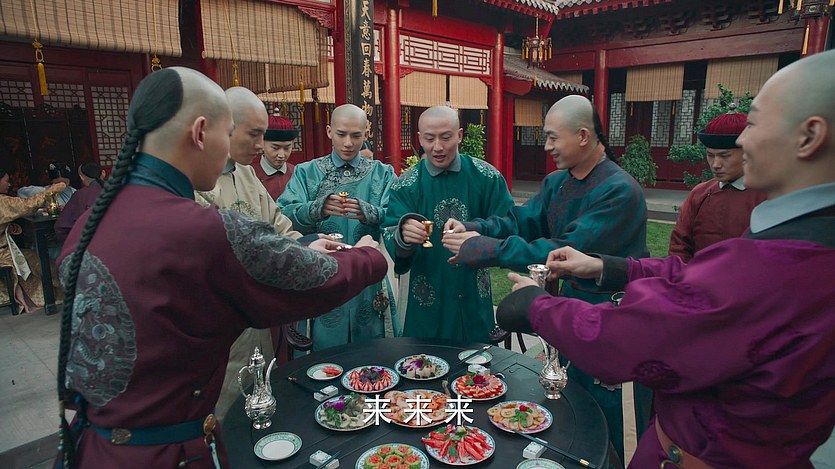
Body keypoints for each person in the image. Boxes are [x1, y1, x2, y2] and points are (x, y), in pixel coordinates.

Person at [496, 49, 835, 468]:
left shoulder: (780, 265)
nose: (743, 140)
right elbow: (689, 272)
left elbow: (627, 339)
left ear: (809, 136)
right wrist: (609, 267)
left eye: (754, 123)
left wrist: (537, 306)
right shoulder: (802, 237)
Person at [55, 67, 388, 469]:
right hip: (163, 453)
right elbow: (309, 280)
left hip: (90, 446)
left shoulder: (89, 222)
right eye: (230, 132)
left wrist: (304, 242)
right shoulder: (200, 229)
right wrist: (368, 256)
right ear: (200, 132)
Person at [443, 95, 651, 463]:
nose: (547, 146)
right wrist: (475, 228)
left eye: (553, 137)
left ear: (583, 136)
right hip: (568, 309)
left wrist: (485, 249)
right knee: (566, 405)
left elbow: (562, 251)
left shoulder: (619, 192)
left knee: (604, 418)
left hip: (609, 318)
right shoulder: (558, 182)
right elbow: (522, 221)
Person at [194, 87, 310, 421]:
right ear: (225, 126)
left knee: (261, 390)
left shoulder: (244, 172)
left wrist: (307, 250)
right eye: (255, 134)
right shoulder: (197, 179)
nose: (261, 146)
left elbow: (277, 224)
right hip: (221, 318)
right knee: (224, 406)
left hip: (256, 315)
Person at [382, 106, 514, 343]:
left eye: (445, 137)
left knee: (477, 362)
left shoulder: (487, 176)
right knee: (424, 361)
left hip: (474, 292)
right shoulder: (407, 184)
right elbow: (390, 228)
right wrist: (403, 233)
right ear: (419, 138)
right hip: (427, 296)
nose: (438, 147)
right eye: (429, 139)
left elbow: (509, 222)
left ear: (460, 135)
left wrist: (476, 230)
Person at [279, 104, 399, 350]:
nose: (348, 143)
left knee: (371, 353)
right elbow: (283, 216)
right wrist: (317, 208)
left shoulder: (382, 174)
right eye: (341, 134)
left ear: (366, 134)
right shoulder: (306, 173)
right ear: (329, 132)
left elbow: (398, 218)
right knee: (323, 354)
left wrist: (371, 212)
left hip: (368, 277)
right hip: (321, 274)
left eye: (356, 135)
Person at [668, 108, 766, 262]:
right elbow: (679, 246)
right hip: (697, 275)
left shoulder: (766, 196)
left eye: (724, 156)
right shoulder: (700, 193)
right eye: (710, 155)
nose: (715, 165)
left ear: (747, 153)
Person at [0, 169, 65, 314]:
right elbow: (28, 205)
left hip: (4, 248)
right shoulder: (2, 202)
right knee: (41, 263)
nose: (9, 184)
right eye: (6, 181)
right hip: (2, 254)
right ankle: (54, 297)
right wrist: (52, 190)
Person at [54, 162, 105, 244]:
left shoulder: (80, 195)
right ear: (103, 173)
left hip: (92, 245)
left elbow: (62, 226)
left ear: (81, 177)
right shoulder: (120, 190)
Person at [251, 113, 297, 200]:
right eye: (275, 148)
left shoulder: (297, 173)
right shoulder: (250, 174)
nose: (281, 155)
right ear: (262, 144)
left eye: (287, 148)